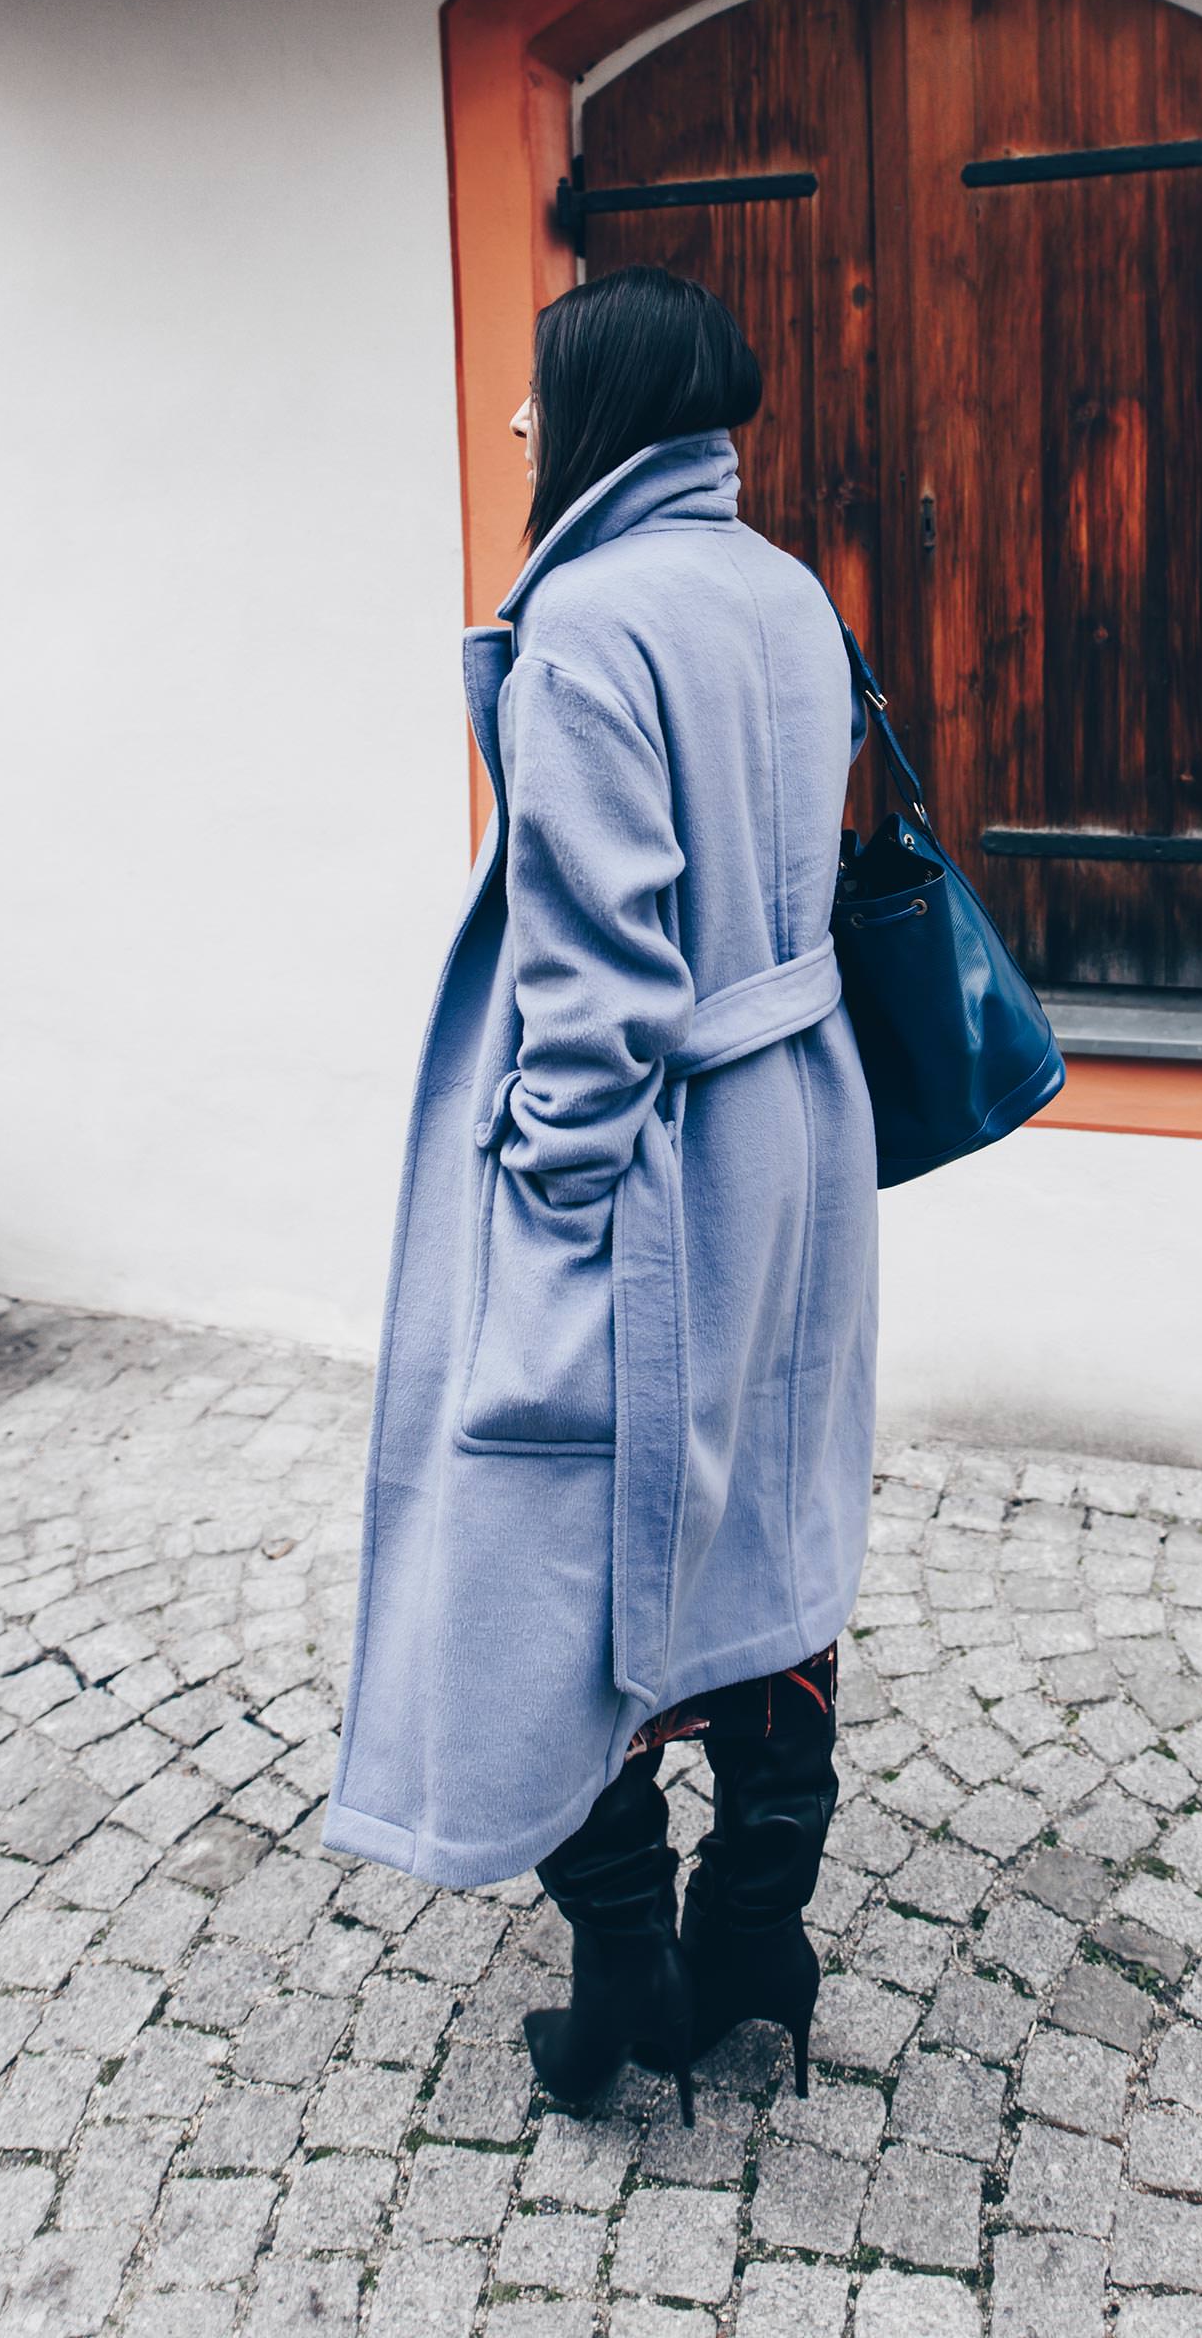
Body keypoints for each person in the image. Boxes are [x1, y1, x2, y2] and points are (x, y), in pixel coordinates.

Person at [323, 265, 880, 2128]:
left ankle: (633, 1963)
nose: (513, 426)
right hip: (801, 1131)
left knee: (553, 1559)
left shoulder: (582, 623)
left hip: (645, 1166)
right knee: (772, 1516)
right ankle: (757, 1939)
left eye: (532, 395)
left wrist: (545, 1208)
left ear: (592, 408)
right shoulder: (783, 588)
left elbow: (598, 989)